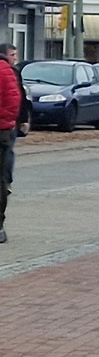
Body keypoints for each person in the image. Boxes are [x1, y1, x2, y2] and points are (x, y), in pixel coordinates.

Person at [0, 46, 21, 246]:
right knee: (1, 180)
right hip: (3, 132)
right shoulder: (6, 70)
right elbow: (14, 100)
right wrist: (6, 122)